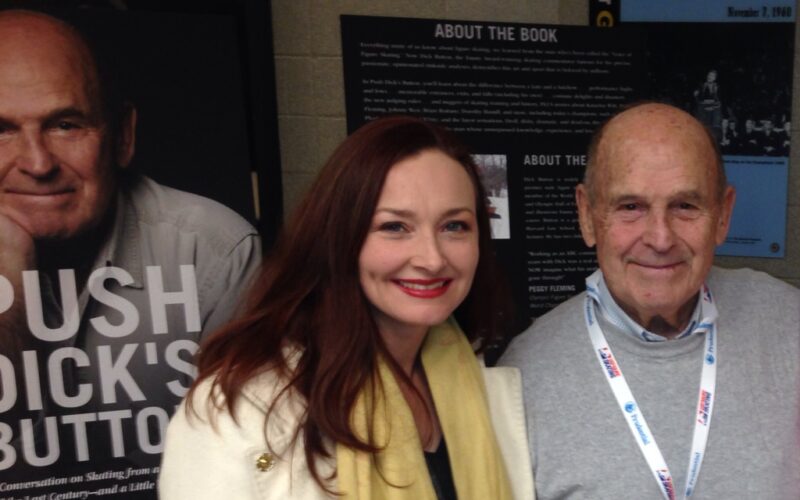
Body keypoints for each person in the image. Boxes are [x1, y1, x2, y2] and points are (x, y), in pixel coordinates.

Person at [158, 116, 534, 499]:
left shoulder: (484, 386)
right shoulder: (238, 407)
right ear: (340, 237)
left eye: (454, 226)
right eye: (395, 227)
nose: (432, 259)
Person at [0, 8, 261, 485]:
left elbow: (248, 465)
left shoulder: (214, 251)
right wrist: (9, 287)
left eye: (65, 125)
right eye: (1, 130)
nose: (37, 163)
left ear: (122, 136)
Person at [500, 102, 800, 499]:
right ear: (587, 216)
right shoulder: (523, 377)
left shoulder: (790, 328)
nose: (660, 238)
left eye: (685, 206)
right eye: (631, 207)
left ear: (723, 216)